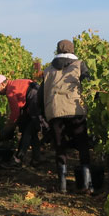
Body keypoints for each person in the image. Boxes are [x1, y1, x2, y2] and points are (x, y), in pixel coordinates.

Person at [42, 39, 92, 193]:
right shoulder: (80, 65)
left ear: (57, 50)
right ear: (72, 50)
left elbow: (41, 94)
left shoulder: (48, 69)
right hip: (76, 110)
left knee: (60, 148)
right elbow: (89, 84)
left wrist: (44, 114)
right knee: (83, 146)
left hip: (55, 111)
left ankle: (62, 185)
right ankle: (86, 184)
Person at [0, 74, 41, 165]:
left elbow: (15, 114)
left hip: (35, 101)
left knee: (27, 131)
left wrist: (7, 128)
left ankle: (18, 159)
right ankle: (36, 159)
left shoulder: (10, 91)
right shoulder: (15, 83)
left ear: (2, 84)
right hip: (37, 98)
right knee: (32, 131)